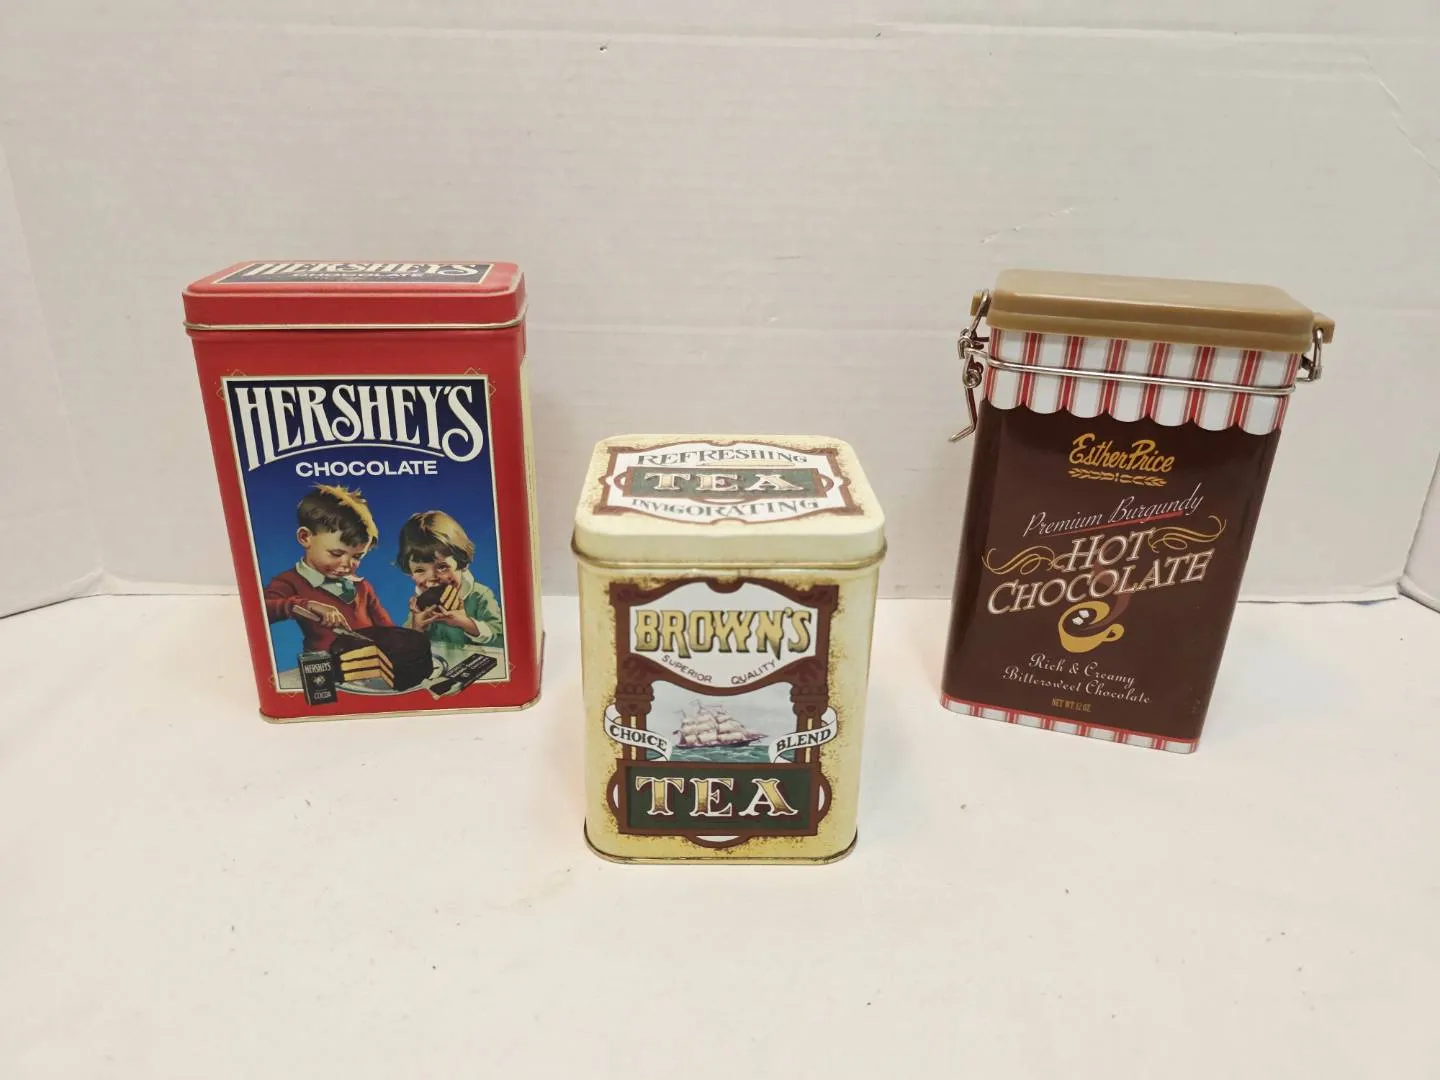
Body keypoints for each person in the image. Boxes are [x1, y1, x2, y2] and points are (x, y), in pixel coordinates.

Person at [263, 485, 392, 652]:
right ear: (305, 537)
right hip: (325, 664)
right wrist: (307, 605)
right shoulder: (290, 581)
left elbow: (388, 631)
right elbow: (261, 610)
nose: (347, 564)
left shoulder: (362, 587)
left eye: (357, 557)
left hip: (370, 662)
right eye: (336, 553)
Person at [396, 511, 504, 659]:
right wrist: (417, 627)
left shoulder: (479, 596)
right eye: (420, 570)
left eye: (442, 567)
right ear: (410, 573)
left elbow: (501, 639)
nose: (432, 579)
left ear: (462, 563)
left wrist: (466, 623)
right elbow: (406, 649)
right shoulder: (420, 604)